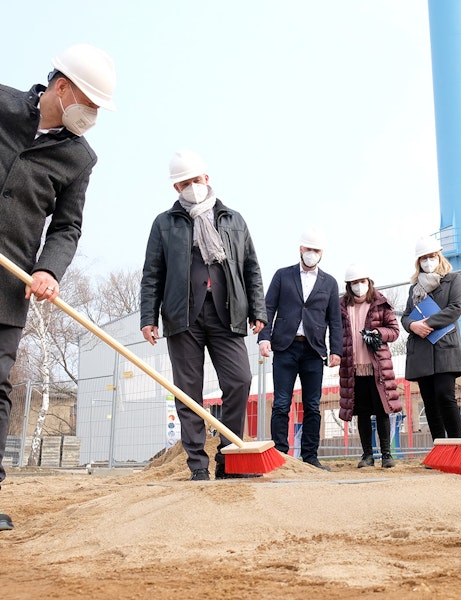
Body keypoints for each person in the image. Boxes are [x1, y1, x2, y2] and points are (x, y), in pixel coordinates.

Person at [0, 44, 116, 531]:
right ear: (61, 87)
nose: (91, 115)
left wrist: (48, 270)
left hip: (9, 286)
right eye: (88, 102)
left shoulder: (79, 158)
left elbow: (67, 227)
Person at [140, 150, 267, 481]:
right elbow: (152, 273)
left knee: (239, 380)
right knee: (188, 391)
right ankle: (197, 465)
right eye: (185, 183)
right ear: (175, 188)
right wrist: (148, 317)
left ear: (207, 179)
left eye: (196, 180)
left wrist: (258, 309)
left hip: (228, 314)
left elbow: (251, 267)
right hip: (183, 317)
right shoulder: (164, 224)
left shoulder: (233, 220)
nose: (192, 187)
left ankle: (230, 458)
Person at [259, 228, 342, 471]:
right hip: (285, 346)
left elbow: (335, 320)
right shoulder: (282, 276)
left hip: (314, 351)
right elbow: (268, 307)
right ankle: (280, 454)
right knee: (282, 403)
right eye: (308, 250)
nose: (312, 254)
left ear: (322, 253)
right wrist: (264, 338)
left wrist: (336, 349)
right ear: (300, 249)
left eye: (316, 250)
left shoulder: (330, 283)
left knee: (313, 405)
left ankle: (310, 456)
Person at [338, 264, 402, 468]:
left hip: (378, 368)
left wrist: (379, 334)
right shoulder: (341, 306)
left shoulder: (380, 304)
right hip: (353, 368)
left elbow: (394, 331)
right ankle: (367, 455)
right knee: (362, 412)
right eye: (355, 283)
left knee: (382, 410)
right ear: (349, 285)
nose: (359, 286)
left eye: (362, 281)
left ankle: (386, 454)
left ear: (369, 282)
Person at [401, 237, 461, 442]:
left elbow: (455, 308)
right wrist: (412, 325)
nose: (428, 261)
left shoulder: (453, 279)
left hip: (445, 347)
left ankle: (456, 445)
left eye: (431, 257)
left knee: (445, 396)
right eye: (423, 258)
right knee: (429, 401)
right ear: (418, 262)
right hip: (422, 351)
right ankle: (439, 446)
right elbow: (406, 315)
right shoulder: (414, 288)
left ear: (439, 256)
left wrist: (427, 323)